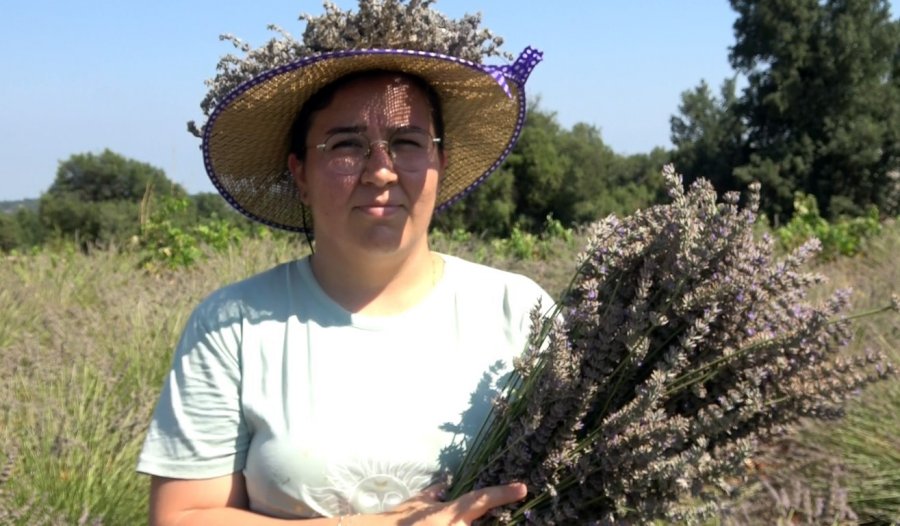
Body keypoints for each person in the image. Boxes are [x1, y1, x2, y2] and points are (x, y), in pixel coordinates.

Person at [138, 43, 550, 525]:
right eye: (346, 146)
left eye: (408, 142)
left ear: (440, 162)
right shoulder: (232, 326)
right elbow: (183, 515)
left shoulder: (520, 313)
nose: (380, 170)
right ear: (301, 175)